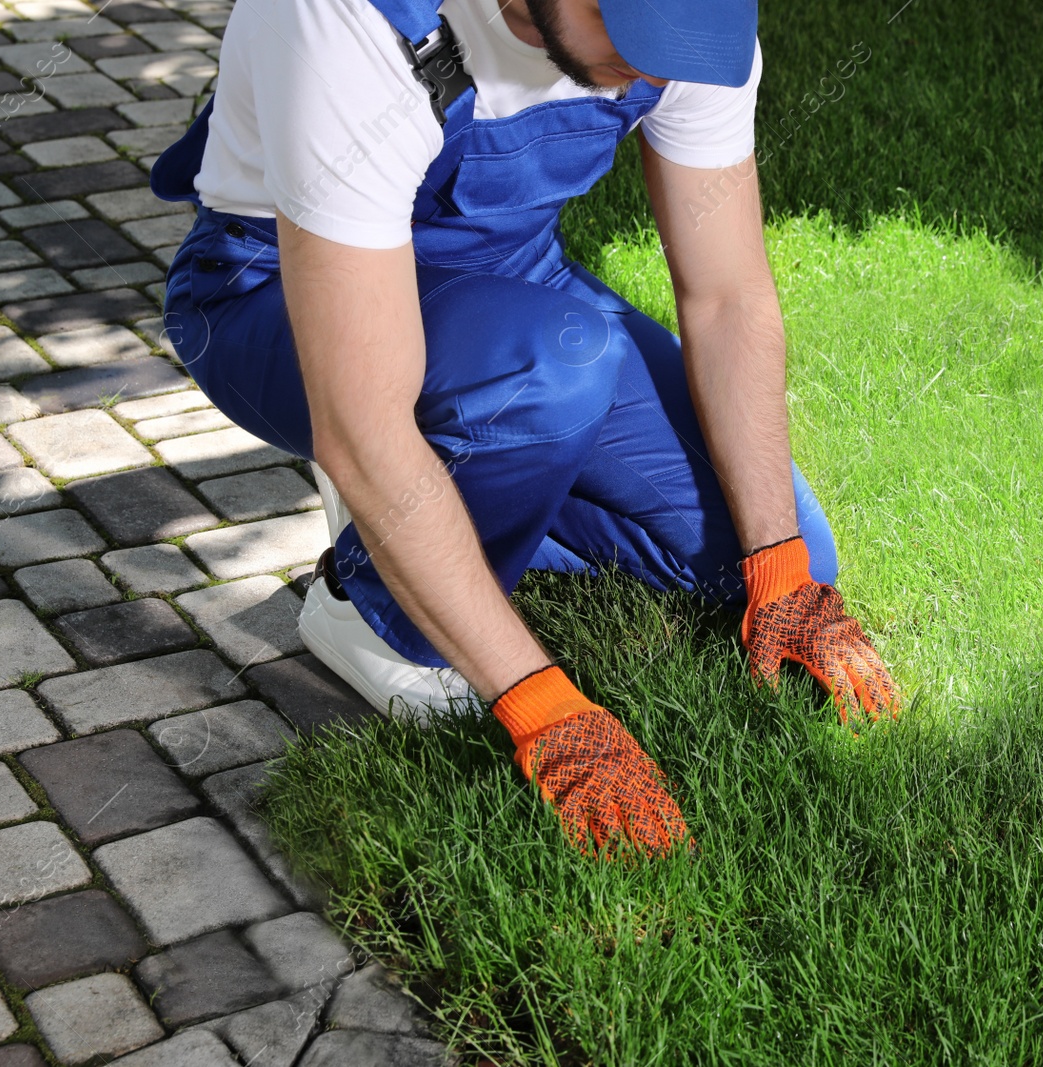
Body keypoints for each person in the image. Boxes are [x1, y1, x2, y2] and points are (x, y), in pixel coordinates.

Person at [150, 0, 903, 857]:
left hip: (507, 281)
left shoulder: (692, 33)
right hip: (273, 293)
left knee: (778, 546)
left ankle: (458, 494)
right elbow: (361, 426)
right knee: (558, 364)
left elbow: (726, 296)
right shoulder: (350, 20)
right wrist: (544, 707)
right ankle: (367, 606)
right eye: (637, 42)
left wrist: (780, 571)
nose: (661, 72)